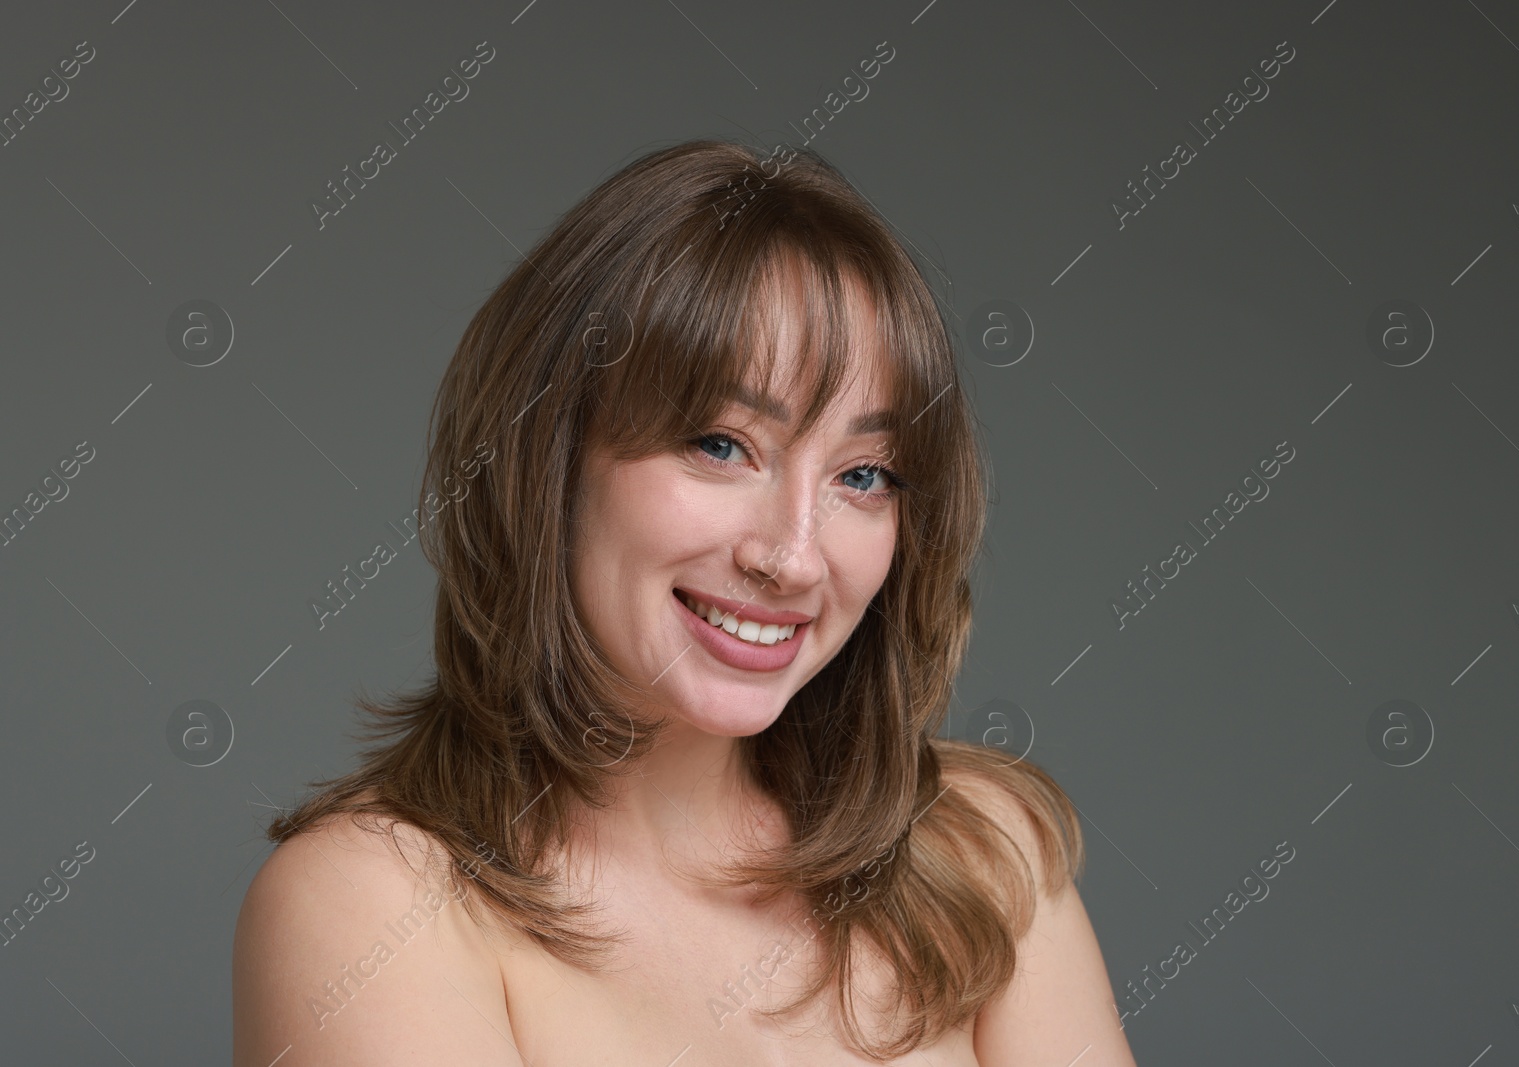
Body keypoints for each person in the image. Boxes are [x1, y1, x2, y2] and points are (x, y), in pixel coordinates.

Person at [232, 138, 1137, 1066]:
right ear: (547, 459)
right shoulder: (368, 901)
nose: (791, 557)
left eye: (864, 474)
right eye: (720, 444)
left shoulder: (980, 856)